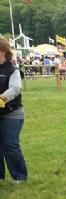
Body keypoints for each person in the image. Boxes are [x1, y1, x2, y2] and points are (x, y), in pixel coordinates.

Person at [0, 38, 28, 183]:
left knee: (10, 145)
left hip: (12, 114)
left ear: (3, 51)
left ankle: (20, 176)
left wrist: (2, 98)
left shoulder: (13, 70)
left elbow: (15, 89)